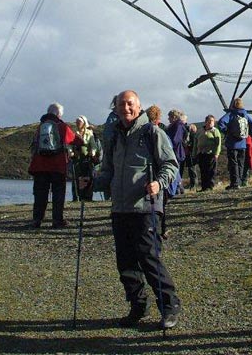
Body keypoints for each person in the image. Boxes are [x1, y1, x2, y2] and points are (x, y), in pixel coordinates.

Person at [85, 90, 182, 329]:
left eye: (130, 104)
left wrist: (159, 183)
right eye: (121, 104)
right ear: (116, 108)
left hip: (145, 207)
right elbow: (108, 171)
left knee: (149, 259)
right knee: (125, 262)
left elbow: (171, 165)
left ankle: (169, 307)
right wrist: (92, 183)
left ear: (138, 107)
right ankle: (138, 306)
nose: (125, 108)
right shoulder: (114, 136)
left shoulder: (152, 133)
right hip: (120, 208)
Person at [28, 102, 83, 229]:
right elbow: (77, 141)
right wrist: (79, 139)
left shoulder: (40, 127)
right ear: (58, 114)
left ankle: (36, 220)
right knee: (58, 194)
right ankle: (57, 220)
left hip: (40, 166)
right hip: (58, 166)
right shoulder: (62, 126)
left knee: (40, 193)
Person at [218, 97, 252, 190]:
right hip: (243, 143)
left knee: (233, 163)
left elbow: (221, 123)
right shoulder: (245, 115)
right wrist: (249, 134)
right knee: (241, 163)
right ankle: (239, 182)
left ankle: (234, 183)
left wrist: (227, 132)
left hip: (232, 143)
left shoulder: (231, 114)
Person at [71, 115, 97, 201]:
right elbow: (69, 144)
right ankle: (76, 196)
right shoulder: (74, 133)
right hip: (77, 158)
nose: (78, 124)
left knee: (88, 177)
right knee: (77, 177)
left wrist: (92, 152)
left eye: (80, 122)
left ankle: (88, 196)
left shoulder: (89, 133)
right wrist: (70, 151)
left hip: (87, 158)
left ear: (84, 123)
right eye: (77, 122)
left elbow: (93, 145)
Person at [193, 114, 222, 191]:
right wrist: (194, 154)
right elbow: (196, 143)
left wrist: (216, 153)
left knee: (211, 171)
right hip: (201, 154)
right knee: (203, 171)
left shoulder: (215, 131)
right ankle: (204, 187)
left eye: (212, 121)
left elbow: (218, 143)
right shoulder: (200, 131)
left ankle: (210, 186)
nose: (210, 123)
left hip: (211, 154)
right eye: (209, 121)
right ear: (205, 122)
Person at [102, 95, 120, 200]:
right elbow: (108, 138)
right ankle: (111, 195)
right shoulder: (113, 118)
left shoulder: (113, 117)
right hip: (115, 152)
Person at [166, 109, 186, 194]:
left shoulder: (178, 125)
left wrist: (168, 144)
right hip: (174, 149)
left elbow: (176, 139)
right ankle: (178, 187)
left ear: (173, 117)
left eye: (169, 117)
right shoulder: (174, 125)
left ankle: (178, 187)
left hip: (176, 150)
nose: (168, 119)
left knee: (175, 168)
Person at [182, 123, 198, 189]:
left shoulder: (193, 136)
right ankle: (193, 184)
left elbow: (193, 146)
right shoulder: (193, 136)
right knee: (191, 170)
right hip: (189, 154)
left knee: (192, 170)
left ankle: (194, 185)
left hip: (190, 154)